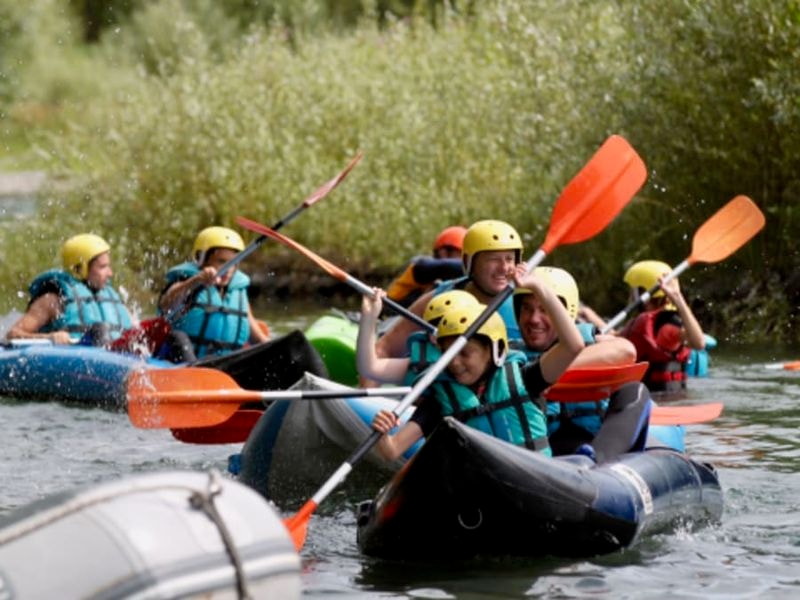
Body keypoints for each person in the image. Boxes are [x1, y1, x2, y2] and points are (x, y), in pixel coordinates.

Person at [369, 268, 585, 462]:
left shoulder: (526, 378)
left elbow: (573, 346)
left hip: (534, 482)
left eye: (465, 353)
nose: (454, 362)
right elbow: (392, 451)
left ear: (493, 352)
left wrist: (537, 287)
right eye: (448, 353)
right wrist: (382, 432)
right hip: (481, 489)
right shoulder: (442, 400)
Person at [513, 266, 649, 459]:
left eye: (544, 309)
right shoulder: (510, 356)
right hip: (541, 454)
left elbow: (626, 350)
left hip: (594, 449)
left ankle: (598, 458)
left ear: (566, 312)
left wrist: (550, 368)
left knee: (634, 390)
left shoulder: (589, 341)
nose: (534, 319)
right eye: (527, 308)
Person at [374, 219, 524, 363]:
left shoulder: (529, 302)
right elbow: (383, 350)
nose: (504, 268)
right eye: (493, 259)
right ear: (468, 262)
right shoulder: (439, 295)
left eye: (509, 259)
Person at [157, 226, 269, 361]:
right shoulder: (186, 282)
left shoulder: (237, 290)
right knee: (177, 336)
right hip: (182, 361)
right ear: (201, 259)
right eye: (221, 261)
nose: (229, 269)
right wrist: (196, 280)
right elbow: (165, 305)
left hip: (224, 364)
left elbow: (257, 337)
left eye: (234, 263)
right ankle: (196, 371)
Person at [6, 233, 133, 346]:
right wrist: (50, 337)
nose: (110, 273)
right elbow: (13, 334)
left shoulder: (114, 300)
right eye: (102, 267)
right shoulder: (53, 300)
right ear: (79, 269)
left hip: (113, 360)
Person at [357, 288, 479, 385]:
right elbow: (370, 368)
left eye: (448, 327)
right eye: (433, 327)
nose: (434, 337)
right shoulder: (423, 362)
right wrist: (369, 316)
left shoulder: (488, 359)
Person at [619, 260, 706, 393]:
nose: (630, 297)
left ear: (641, 293)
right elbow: (615, 335)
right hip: (659, 398)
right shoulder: (640, 324)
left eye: (632, 291)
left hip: (664, 401)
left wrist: (678, 298)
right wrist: (587, 313)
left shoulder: (666, 327)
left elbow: (699, 343)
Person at [385, 226, 467, 307]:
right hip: (392, 313)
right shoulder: (422, 265)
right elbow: (447, 267)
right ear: (444, 252)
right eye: (461, 254)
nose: (464, 258)